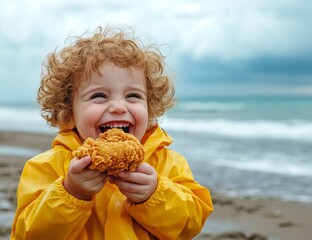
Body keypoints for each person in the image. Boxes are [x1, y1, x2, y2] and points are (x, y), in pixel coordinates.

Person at [11, 25, 213, 240]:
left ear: (150, 106)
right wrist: (71, 192)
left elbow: (191, 225)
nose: (119, 106)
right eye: (99, 95)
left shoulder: (168, 164)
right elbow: (29, 234)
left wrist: (155, 195)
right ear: (68, 112)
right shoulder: (46, 167)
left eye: (133, 96)